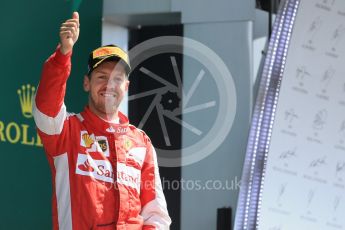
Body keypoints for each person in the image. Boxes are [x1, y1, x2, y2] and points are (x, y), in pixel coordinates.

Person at [33, 11, 171, 230]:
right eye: (102, 77)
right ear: (87, 83)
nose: (109, 85)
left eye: (117, 79)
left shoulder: (141, 143)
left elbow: (156, 215)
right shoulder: (66, 131)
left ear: (126, 87)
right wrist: (63, 55)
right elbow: (46, 107)